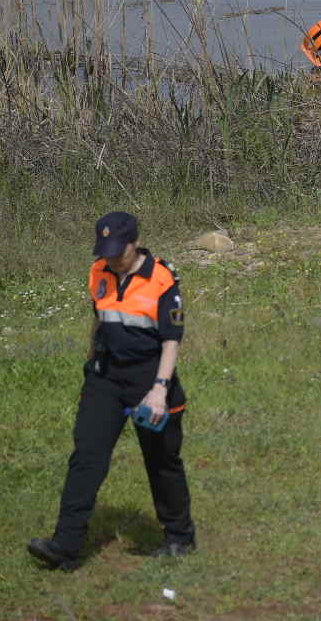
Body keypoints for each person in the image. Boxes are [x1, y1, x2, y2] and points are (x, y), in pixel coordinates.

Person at [28, 212, 196, 571]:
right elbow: (99, 322)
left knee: (162, 461)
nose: (111, 257)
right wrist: (91, 370)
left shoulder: (162, 279)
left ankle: (180, 537)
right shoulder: (99, 271)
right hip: (105, 379)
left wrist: (159, 391)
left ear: (134, 243)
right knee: (86, 457)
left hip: (150, 381)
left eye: (118, 251)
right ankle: (66, 546)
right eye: (105, 251)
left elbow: (171, 340)